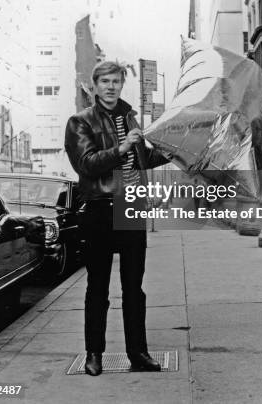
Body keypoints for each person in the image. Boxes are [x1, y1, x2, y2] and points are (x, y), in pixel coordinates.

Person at [65, 61, 169, 376]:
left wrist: (174, 148)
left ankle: (138, 353)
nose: (111, 87)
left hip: (132, 206)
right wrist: (122, 146)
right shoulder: (80, 122)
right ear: (95, 85)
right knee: (98, 286)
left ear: (123, 84)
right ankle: (94, 354)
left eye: (116, 81)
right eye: (105, 81)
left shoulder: (130, 117)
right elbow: (86, 164)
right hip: (101, 208)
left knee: (134, 287)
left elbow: (144, 159)